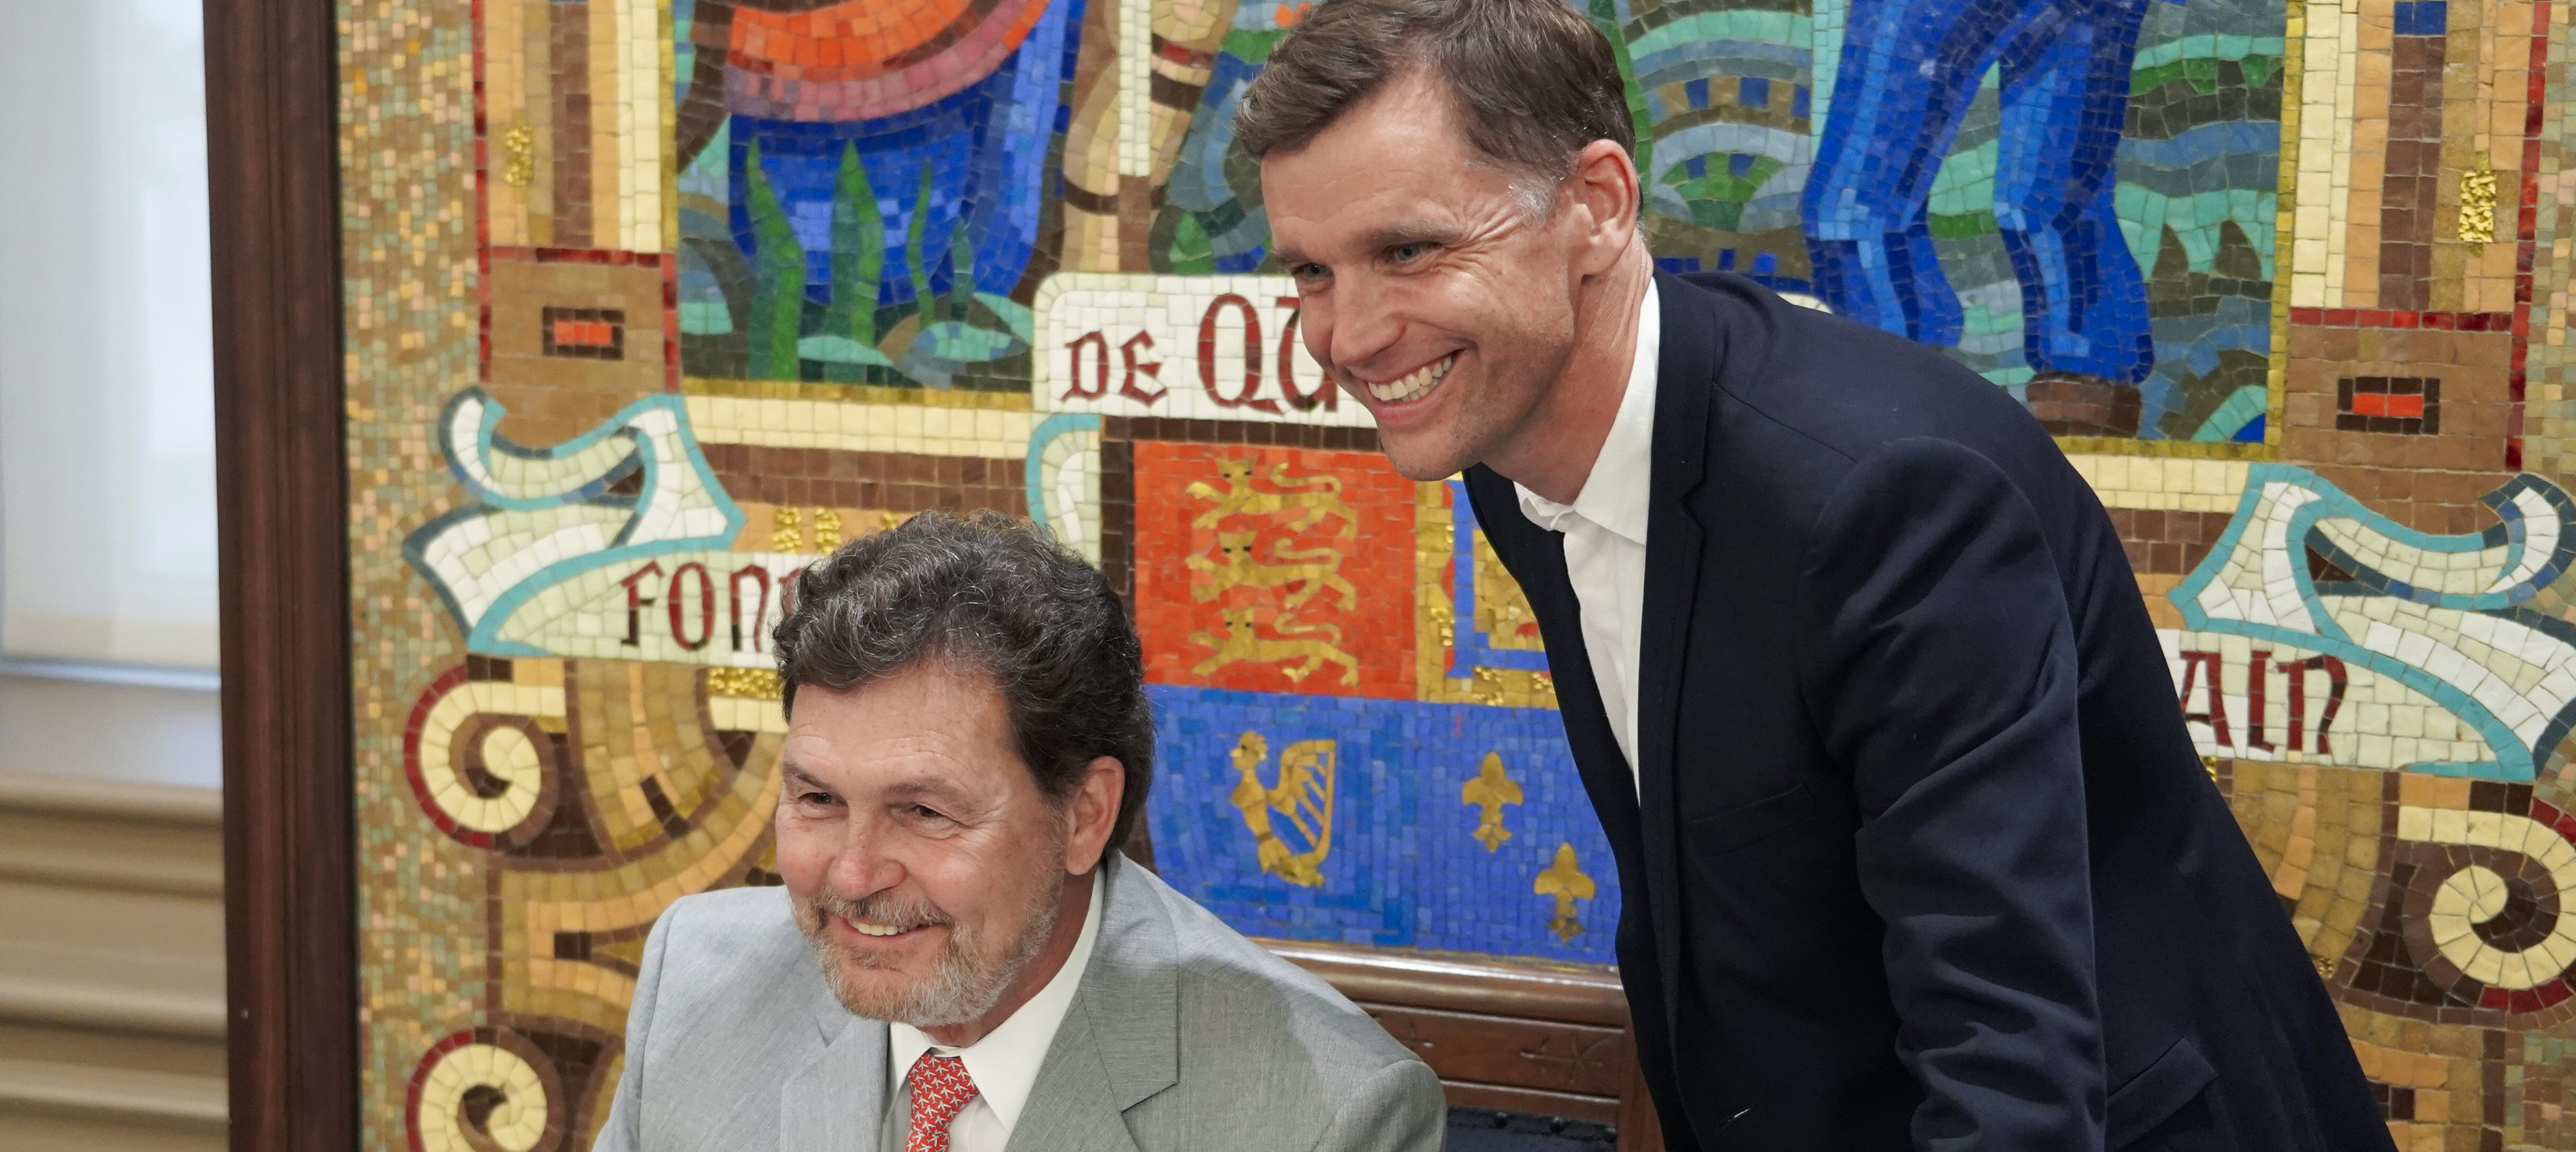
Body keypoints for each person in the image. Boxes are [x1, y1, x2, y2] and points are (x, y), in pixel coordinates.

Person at [1239, 1, 2396, 1148]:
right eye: (1311, 272)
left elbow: (2012, 1061)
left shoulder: (1886, 498)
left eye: (1409, 250)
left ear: (1596, 204)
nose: (1349, 335)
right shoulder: (1513, 446)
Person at [590, 511, 1444, 1152]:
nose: (850, 875)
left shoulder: (1324, 1115)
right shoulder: (696, 984)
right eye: (818, 799)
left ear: (1085, 814)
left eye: (924, 812)